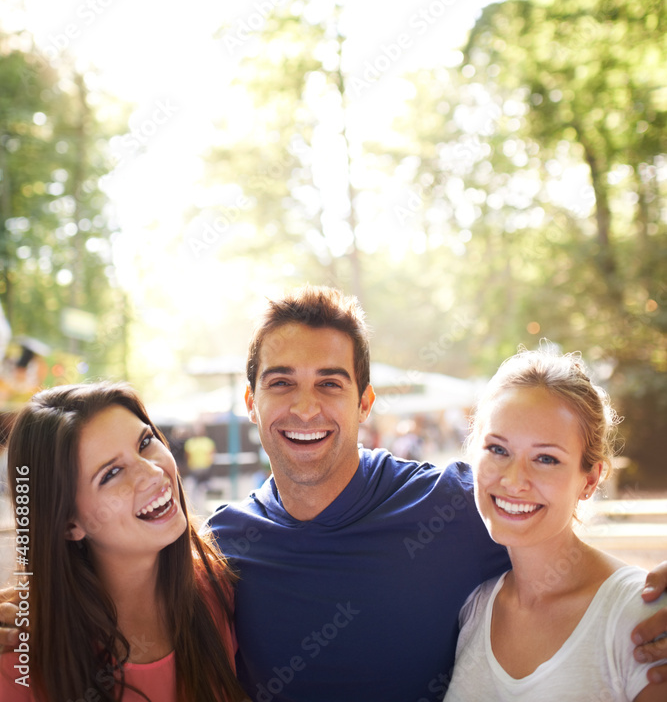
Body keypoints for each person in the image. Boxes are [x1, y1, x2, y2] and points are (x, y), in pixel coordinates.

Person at [205, 286, 667, 701]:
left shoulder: (453, 506)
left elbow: (558, 536)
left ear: (365, 402)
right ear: (250, 402)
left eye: (330, 383)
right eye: (281, 382)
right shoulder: (220, 546)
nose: (305, 408)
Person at [444, 346, 667, 701]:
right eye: (498, 450)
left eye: (546, 458)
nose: (514, 480)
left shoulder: (641, 615)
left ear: (590, 480)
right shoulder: (474, 608)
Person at [0, 382, 246, 702]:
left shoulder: (218, 591)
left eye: (145, 442)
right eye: (111, 472)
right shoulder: (17, 660)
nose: (152, 472)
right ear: (67, 523)